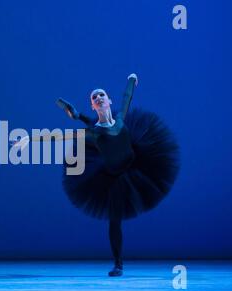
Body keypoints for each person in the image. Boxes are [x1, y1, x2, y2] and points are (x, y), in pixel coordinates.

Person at [14, 74, 180, 277]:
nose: (99, 97)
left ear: (109, 100)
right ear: (93, 106)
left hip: (136, 166)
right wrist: (29, 138)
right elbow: (59, 136)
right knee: (114, 219)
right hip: (113, 177)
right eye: (94, 98)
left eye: (102, 95)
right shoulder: (93, 132)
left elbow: (127, 97)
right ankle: (118, 264)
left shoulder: (120, 119)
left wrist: (131, 79)